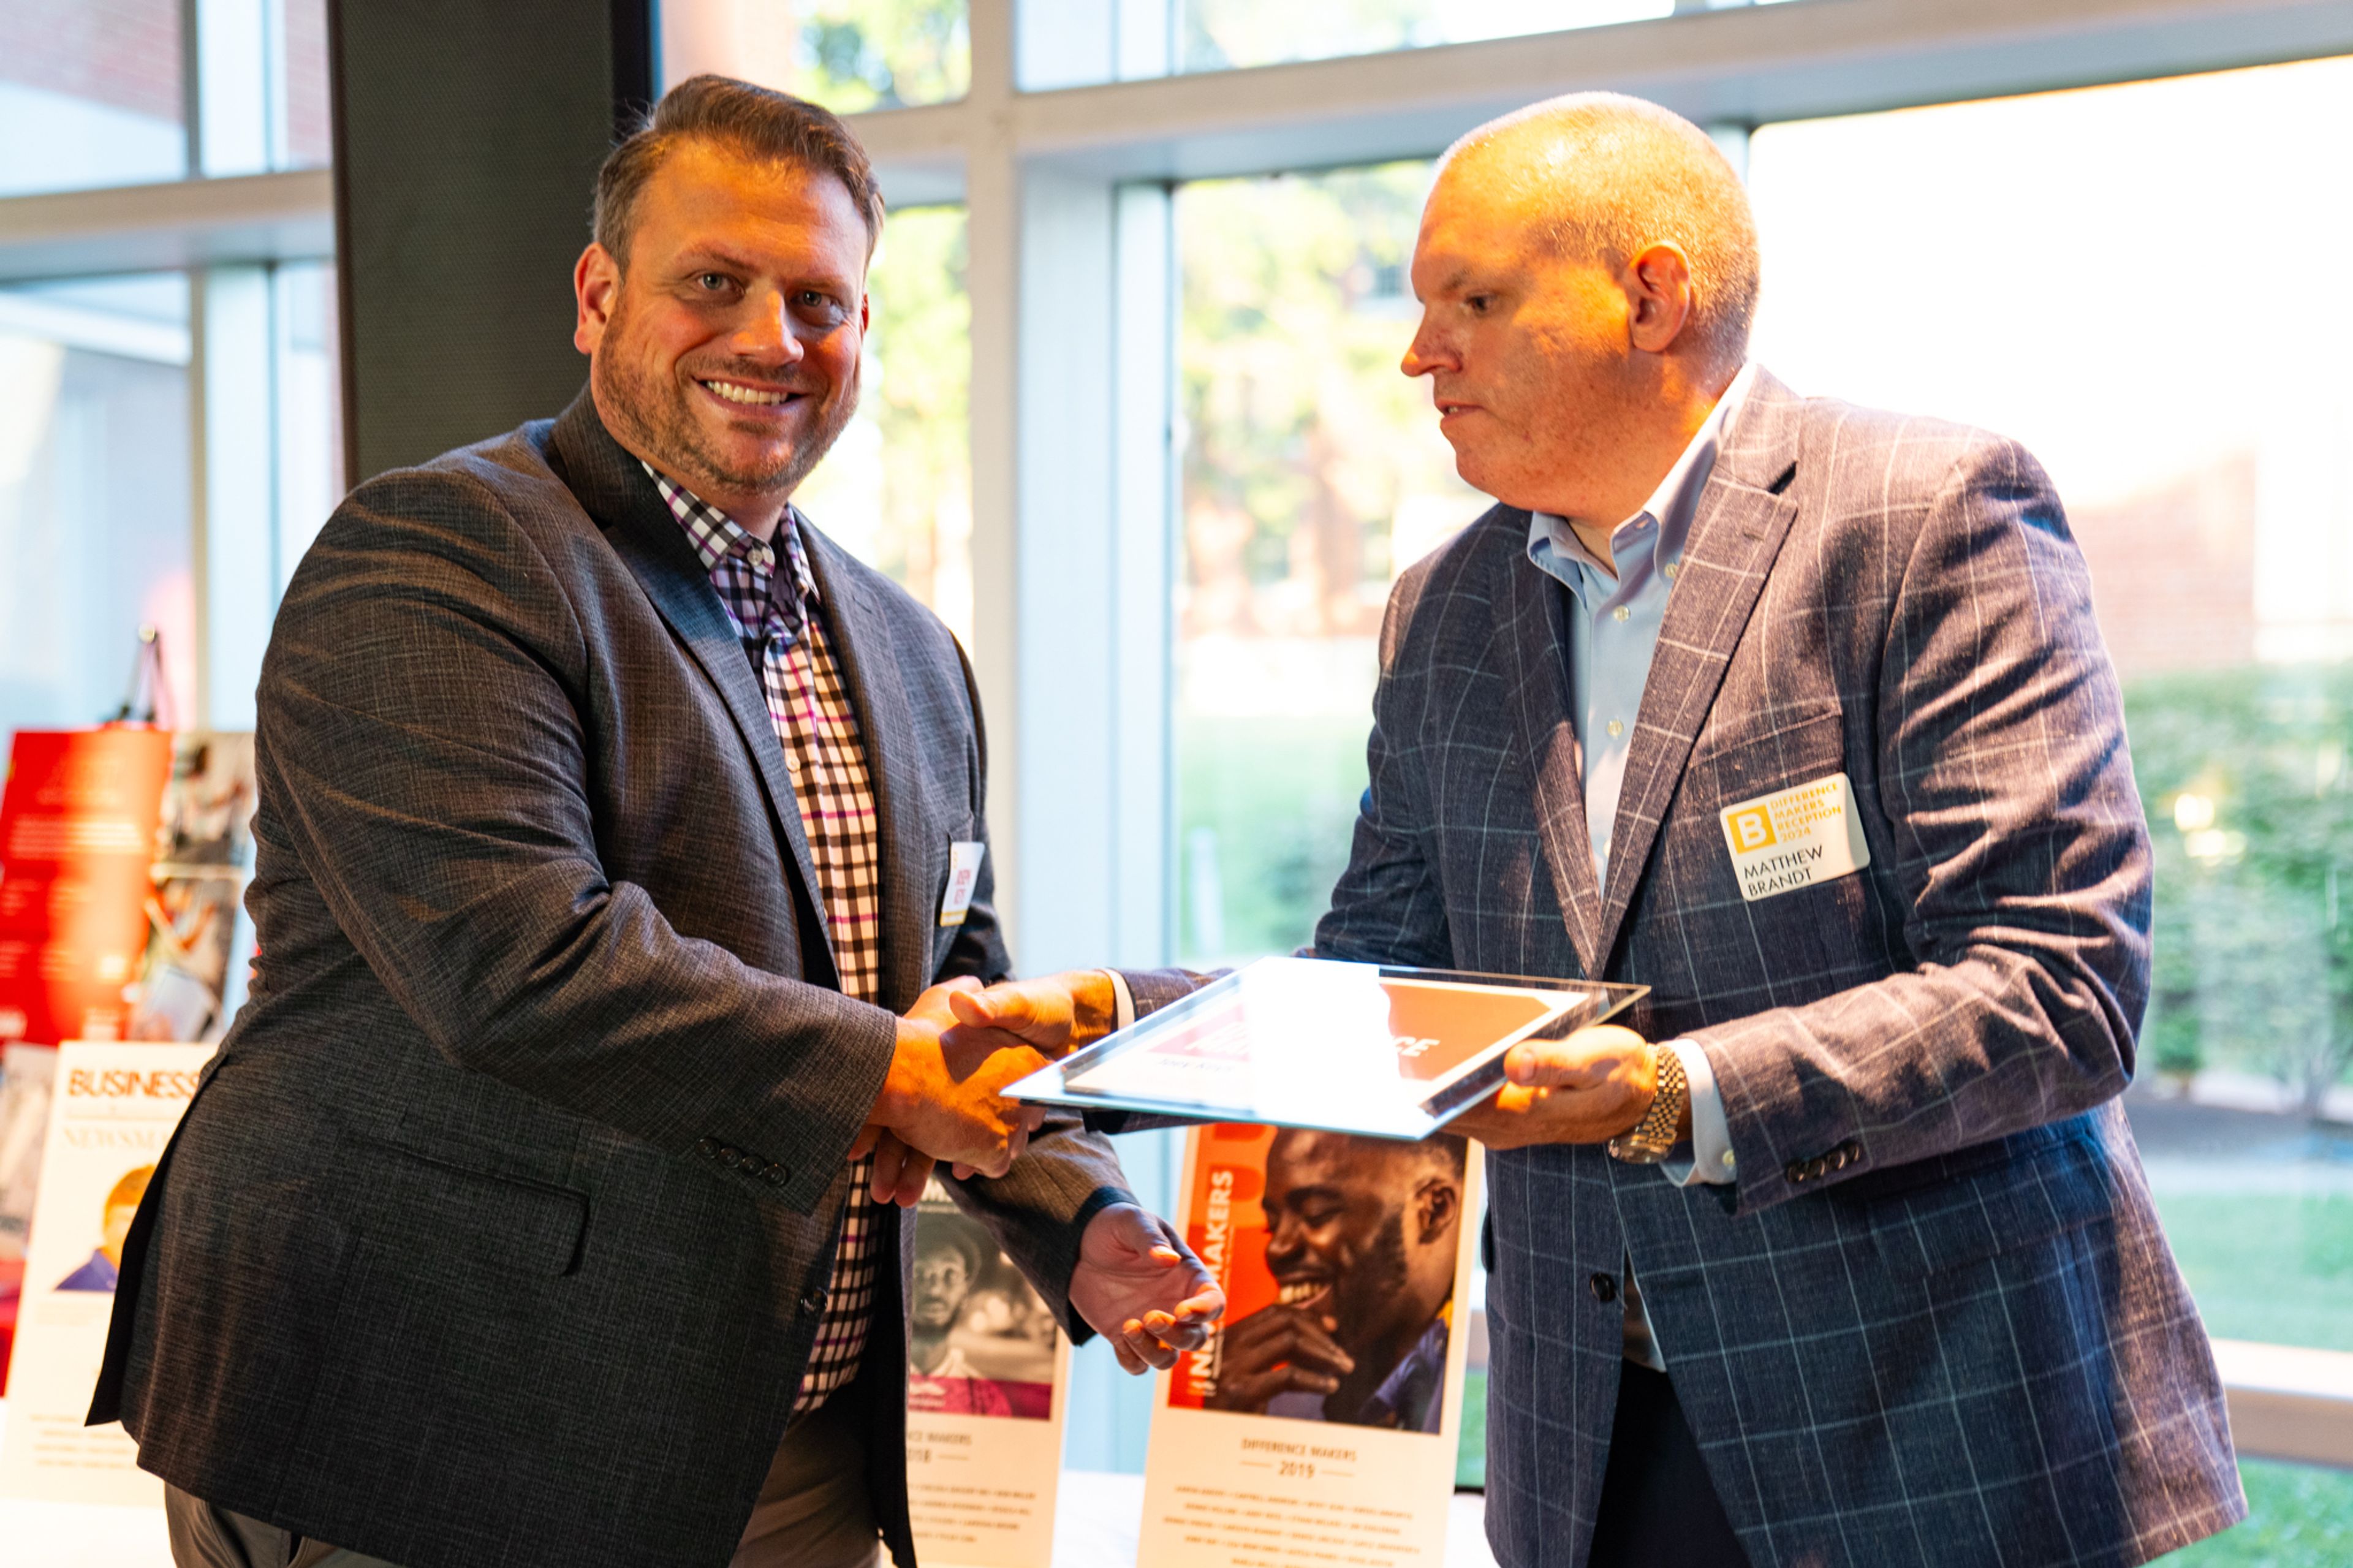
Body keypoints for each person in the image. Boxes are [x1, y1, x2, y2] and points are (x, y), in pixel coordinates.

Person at [953, 91, 2244, 1568]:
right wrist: (1099, 1026)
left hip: (1926, 1428)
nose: (1414, 352)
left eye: (1473, 300)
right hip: (1591, 1450)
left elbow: (2055, 985)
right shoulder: (1442, 610)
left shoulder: (1921, 517)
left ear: (1648, 295)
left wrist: (1662, 1091)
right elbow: (1377, 983)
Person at [90, 75, 1220, 1568]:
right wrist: (899, 1067)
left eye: (820, 298)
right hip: (427, 1425)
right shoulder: (442, 556)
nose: (771, 338)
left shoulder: (908, 651)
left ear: (867, 333)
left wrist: (1084, 1222)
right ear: (597, 295)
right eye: (714, 284)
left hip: (772, 1437)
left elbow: (953, 1000)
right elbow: (522, 962)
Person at [1205, 1131, 1461, 1433]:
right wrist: (1219, 1421)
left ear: (1434, 1210)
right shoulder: (1273, 1391)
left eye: (1317, 1214)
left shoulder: (1476, 1383)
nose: (1276, 1248)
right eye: (1272, 1225)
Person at [906, 1220, 1013, 1417]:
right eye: (919, 1273)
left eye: (950, 1275)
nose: (935, 1289)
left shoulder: (988, 1401)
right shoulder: (870, 1385)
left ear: (964, 1295)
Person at [55, 1164, 151, 1292]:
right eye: (127, 1220)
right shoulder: (71, 1292)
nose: (139, 1233)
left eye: (150, 1223)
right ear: (106, 1223)